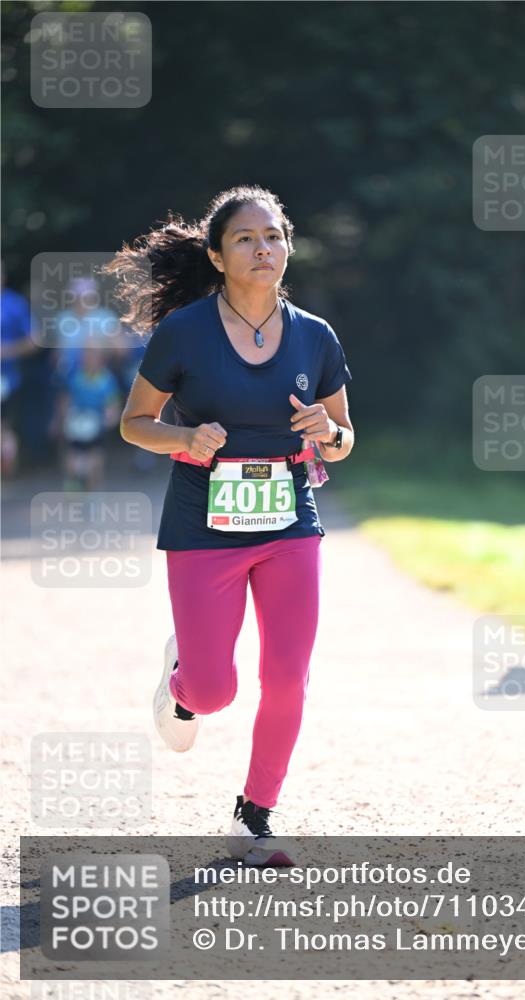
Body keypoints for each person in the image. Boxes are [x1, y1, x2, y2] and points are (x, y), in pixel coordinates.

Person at [110, 185, 354, 866]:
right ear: (217, 257)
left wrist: (328, 432)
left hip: (288, 522)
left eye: (273, 236)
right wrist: (184, 439)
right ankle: (184, 679)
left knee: (287, 676)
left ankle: (255, 816)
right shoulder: (185, 332)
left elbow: (343, 440)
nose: (262, 248)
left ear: (288, 247)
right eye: (245, 238)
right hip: (202, 524)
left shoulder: (315, 335)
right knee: (214, 692)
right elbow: (134, 424)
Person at [55, 341, 122, 491]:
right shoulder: (75, 376)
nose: (88, 359)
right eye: (86, 355)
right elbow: (66, 399)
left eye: (92, 356)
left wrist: (111, 417)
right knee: (73, 457)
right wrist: (62, 419)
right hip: (76, 422)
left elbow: (113, 403)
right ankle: (73, 484)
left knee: (95, 458)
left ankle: (94, 488)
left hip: (96, 424)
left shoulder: (107, 380)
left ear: (101, 359)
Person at [0, 261, 39, 477]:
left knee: (5, 429)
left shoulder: (15, 304)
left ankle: (6, 477)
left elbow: (33, 340)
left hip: (7, 380)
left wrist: (7, 351)